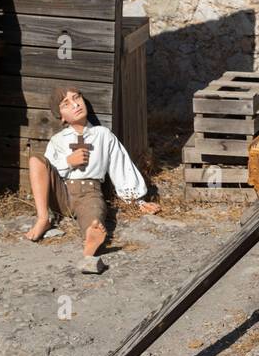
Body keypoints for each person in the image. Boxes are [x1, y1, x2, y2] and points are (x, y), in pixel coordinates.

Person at [25, 86, 159, 257]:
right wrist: (68, 162)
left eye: (77, 98)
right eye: (66, 103)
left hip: (89, 193)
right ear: (61, 117)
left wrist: (137, 200)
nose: (75, 105)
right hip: (61, 192)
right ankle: (43, 219)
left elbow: (120, 165)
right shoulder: (57, 141)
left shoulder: (102, 135)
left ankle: (91, 241)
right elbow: (45, 173)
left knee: (94, 216)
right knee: (36, 161)